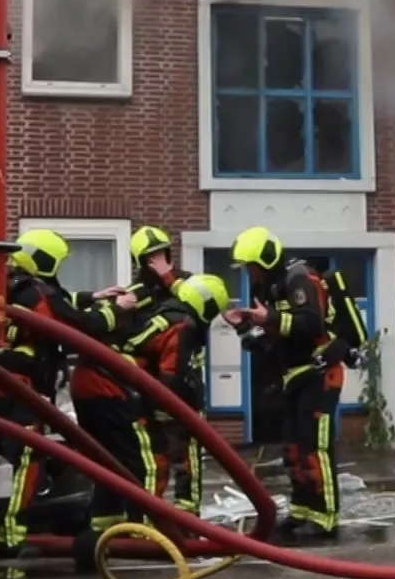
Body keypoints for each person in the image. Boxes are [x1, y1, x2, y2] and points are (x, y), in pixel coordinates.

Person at [0, 227, 139, 550]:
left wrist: (92, 296)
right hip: (22, 388)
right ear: (45, 260)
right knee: (25, 459)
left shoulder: (6, 286)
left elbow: (58, 304)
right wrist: (117, 308)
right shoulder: (36, 294)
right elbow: (79, 326)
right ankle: (8, 538)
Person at [224, 225, 350, 541]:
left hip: (321, 372)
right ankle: (302, 511)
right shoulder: (269, 289)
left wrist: (270, 319)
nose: (250, 273)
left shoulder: (299, 278)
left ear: (265, 260)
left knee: (315, 447)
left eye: (251, 266)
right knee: (294, 448)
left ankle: (326, 518)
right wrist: (244, 328)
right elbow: (267, 343)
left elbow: (311, 323)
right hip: (295, 376)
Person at [137, 273, 230, 513]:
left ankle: (152, 515)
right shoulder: (184, 325)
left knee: (156, 461)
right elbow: (172, 371)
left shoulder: (165, 315)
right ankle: (187, 514)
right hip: (178, 405)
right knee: (185, 462)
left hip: (153, 400)